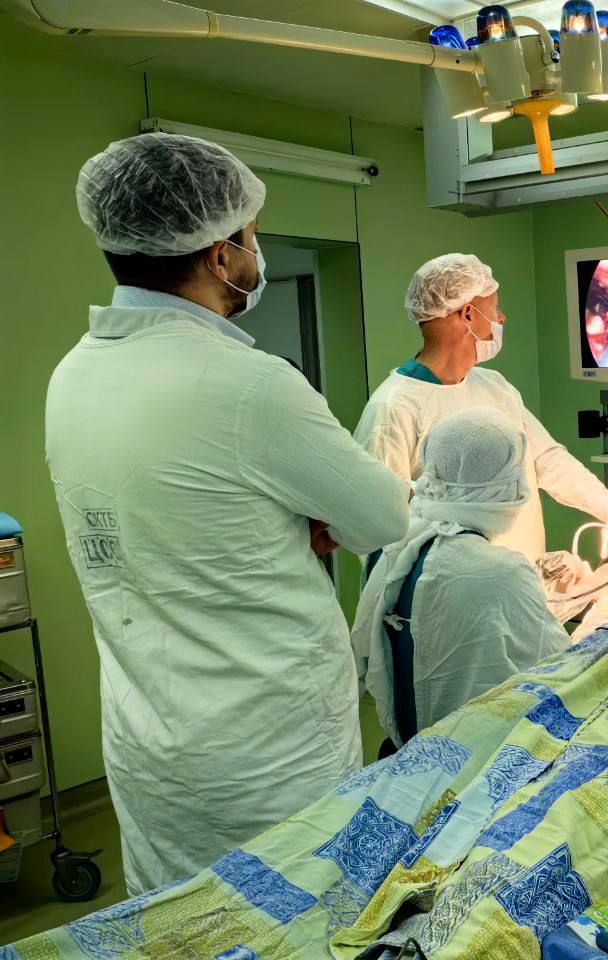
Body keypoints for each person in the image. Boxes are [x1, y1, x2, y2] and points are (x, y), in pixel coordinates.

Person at [47, 133, 410, 893]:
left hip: (150, 745)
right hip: (265, 753)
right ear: (219, 255)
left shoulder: (74, 375)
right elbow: (382, 517)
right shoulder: (249, 384)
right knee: (297, 915)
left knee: (180, 923)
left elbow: (173, 517)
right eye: (251, 236)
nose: (257, 252)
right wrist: (312, 519)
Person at [354, 253, 608, 562]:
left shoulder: (493, 386)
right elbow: (376, 527)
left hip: (522, 577)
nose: (501, 318)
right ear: (467, 314)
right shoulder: (394, 408)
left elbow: (547, 459)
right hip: (452, 586)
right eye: (494, 307)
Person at [352, 408, 568, 748]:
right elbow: (564, 673)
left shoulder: (393, 547)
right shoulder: (503, 572)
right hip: (474, 755)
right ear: (507, 484)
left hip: (405, 744)